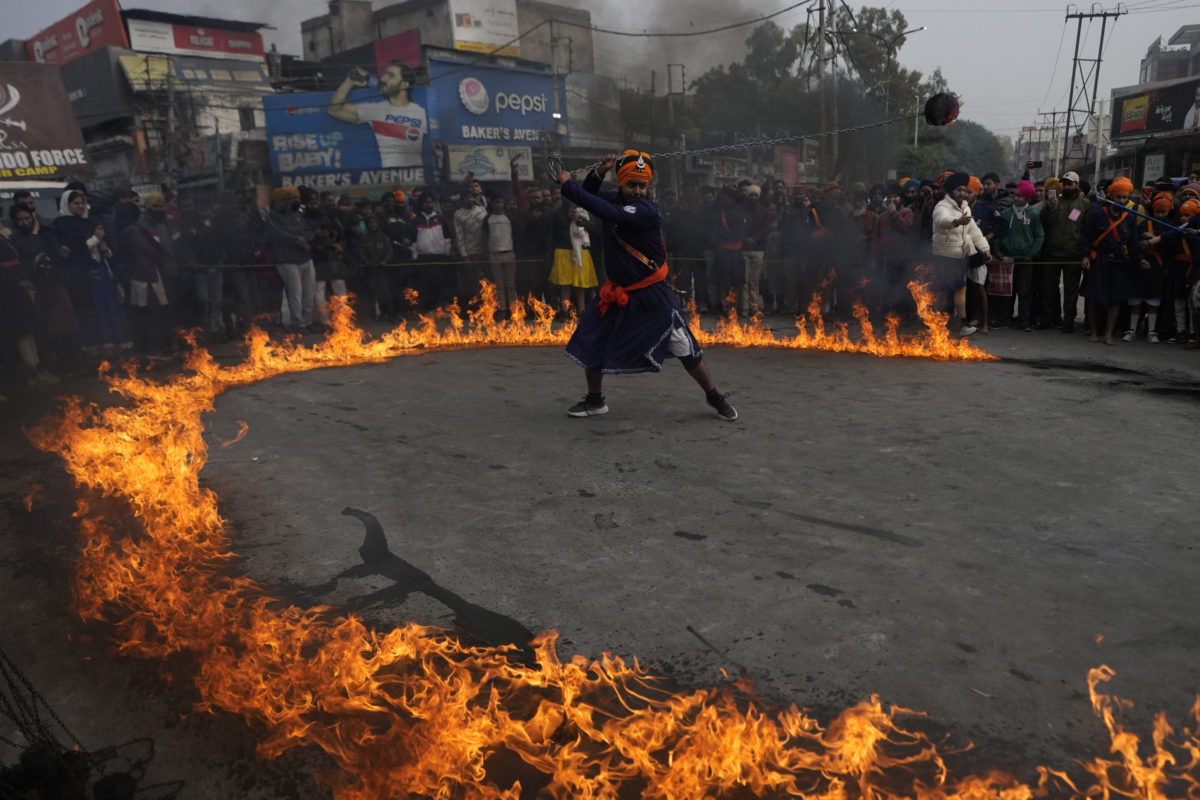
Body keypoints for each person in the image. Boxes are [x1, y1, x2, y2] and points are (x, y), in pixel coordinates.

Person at [555, 150, 737, 421]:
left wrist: (568, 185)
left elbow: (601, 209)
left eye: (642, 185)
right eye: (631, 185)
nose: (637, 190)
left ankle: (714, 396)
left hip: (651, 294)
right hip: (616, 292)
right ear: (621, 184)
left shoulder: (645, 210)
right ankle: (595, 400)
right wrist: (598, 173)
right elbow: (591, 196)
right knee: (593, 340)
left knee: (684, 346)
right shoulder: (616, 199)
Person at [1080, 177, 1146, 345]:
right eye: (1119, 197)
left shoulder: (1130, 218)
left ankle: (1109, 334)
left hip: (1119, 263)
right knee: (1095, 298)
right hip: (1099, 261)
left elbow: (1133, 242)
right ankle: (1094, 332)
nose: (1122, 201)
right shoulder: (1097, 215)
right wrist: (1085, 256)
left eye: (1125, 197)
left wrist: (1139, 259)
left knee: (1115, 301)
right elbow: (1085, 237)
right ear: (1111, 197)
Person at [328, 60, 426, 170]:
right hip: (391, 181)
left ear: (404, 84)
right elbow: (334, 110)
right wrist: (349, 81)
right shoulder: (376, 109)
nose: (383, 79)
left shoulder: (421, 112)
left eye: (391, 76)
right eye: (384, 75)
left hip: (418, 181)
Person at [931, 172, 990, 335]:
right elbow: (941, 220)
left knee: (958, 289)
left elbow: (974, 230)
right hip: (944, 256)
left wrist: (985, 248)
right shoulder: (942, 206)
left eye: (964, 190)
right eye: (959, 190)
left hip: (960, 256)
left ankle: (960, 323)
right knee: (944, 290)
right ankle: (934, 324)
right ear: (951, 191)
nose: (963, 193)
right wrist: (956, 222)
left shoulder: (965, 207)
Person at [263, 187, 316, 332]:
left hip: (305, 258)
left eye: (291, 199)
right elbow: (278, 233)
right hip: (287, 260)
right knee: (295, 293)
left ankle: (307, 321)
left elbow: (308, 231)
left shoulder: (297, 216)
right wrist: (298, 239)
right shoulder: (272, 217)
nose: (289, 202)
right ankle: (298, 323)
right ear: (277, 201)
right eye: (285, 199)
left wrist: (306, 239)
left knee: (309, 292)